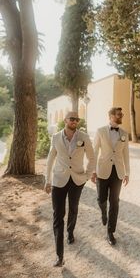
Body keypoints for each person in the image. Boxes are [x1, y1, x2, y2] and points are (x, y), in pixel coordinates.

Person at [44, 111, 95, 267]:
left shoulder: (84, 137)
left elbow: (92, 158)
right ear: (65, 120)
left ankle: (70, 232)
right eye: (72, 119)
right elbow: (50, 159)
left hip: (77, 179)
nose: (74, 121)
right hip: (59, 179)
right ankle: (60, 255)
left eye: (77, 119)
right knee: (58, 215)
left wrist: (87, 175)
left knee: (73, 208)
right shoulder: (56, 137)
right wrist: (48, 180)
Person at [91, 107, 130, 246]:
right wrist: (92, 171)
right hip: (102, 170)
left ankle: (110, 232)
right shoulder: (100, 131)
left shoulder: (124, 133)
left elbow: (126, 154)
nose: (121, 116)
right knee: (101, 198)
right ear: (111, 116)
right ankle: (103, 212)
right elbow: (94, 152)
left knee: (114, 202)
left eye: (122, 114)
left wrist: (127, 173)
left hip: (118, 172)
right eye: (119, 114)